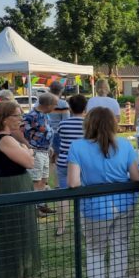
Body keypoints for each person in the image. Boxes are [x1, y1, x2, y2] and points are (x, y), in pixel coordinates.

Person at [67, 106, 139, 278]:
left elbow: (73, 182)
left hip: (94, 207)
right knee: (119, 246)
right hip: (124, 204)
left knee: (95, 250)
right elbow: (135, 177)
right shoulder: (125, 145)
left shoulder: (77, 147)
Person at [0, 101, 40, 278]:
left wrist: (26, 151)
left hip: (11, 185)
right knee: (15, 230)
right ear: (5, 118)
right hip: (12, 186)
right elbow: (29, 162)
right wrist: (28, 151)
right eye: (17, 115)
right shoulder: (5, 139)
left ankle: (16, 277)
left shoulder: (2, 136)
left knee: (16, 229)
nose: (21, 119)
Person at [54, 94, 87, 236]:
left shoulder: (63, 124)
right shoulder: (88, 124)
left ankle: (61, 227)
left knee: (63, 196)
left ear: (70, 108)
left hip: (64, 162)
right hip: (83, 164)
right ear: (85, 108)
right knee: (85, 195)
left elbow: (56, 143)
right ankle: (85, 226)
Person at [22, 92, 56, 192]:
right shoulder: (32, 116)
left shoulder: (45, 115)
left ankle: (41, 205)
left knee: (44, 179)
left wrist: (49, 146)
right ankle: (35, 205)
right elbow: (21, 131)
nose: (55, 107)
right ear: (48, 105)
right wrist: (29, 146)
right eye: (54, 104)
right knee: (35, 180)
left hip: (45, 151)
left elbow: (46, 132)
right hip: (36, 152)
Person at [48, 81, 70, 166]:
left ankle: (49, 178)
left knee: (48, 158)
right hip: (58, 133)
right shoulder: (63, 104)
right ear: (61, 91)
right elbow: (66, 121)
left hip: (45, 132)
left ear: (50, 90)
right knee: (58, 158)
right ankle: (56, 178)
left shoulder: (41, 102)